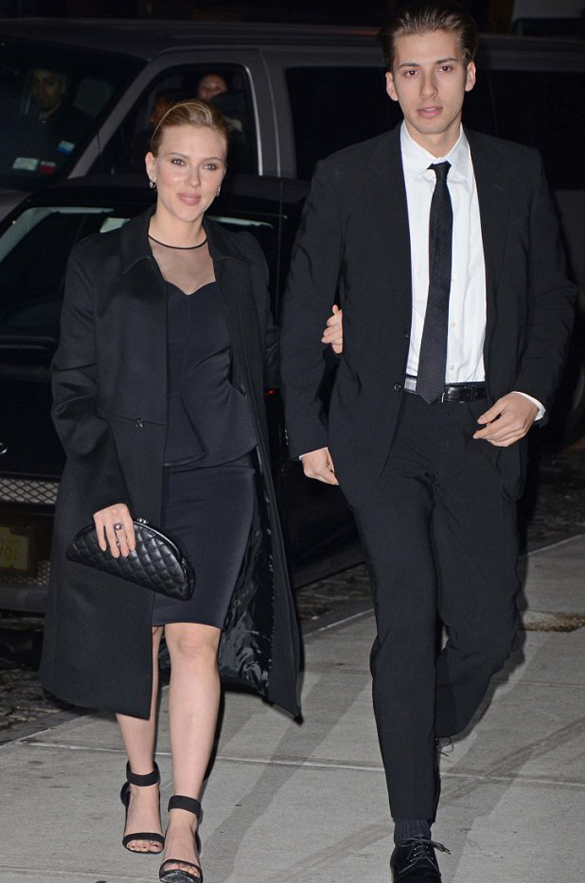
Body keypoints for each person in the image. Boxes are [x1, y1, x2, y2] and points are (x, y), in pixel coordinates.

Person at [280, 3, 576, 881]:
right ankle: (413, 830)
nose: (428, 87)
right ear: (390, 84)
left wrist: (530, 393)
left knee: (489, 631)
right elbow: (304, 306)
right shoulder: (348, 176)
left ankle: (416, 720)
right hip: (385, 428)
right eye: (410, 71)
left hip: (481, 426)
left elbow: (554, 297)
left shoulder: (517, 172)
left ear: (470, 74)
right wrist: (306, 427)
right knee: (406, 617)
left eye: (444, 67)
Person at [39, 99, 341, 883]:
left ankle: (183, 815)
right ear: (151, 166)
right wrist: (105, 487)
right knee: (135, 638)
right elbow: (73, 389)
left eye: (209, 165)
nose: (193, 179)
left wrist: (324, 339)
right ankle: (141, 781)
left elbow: (266, 359)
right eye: (179, 161)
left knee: (195, 641)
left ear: (222, 174)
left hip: (221, 477)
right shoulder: (99, 262)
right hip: (130, 481)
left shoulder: (242, 258)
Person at [29, 67, 91, 162]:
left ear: (62, 88)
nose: (40, 90)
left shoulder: (79, 125)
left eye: (49, 83)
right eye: (36, 83)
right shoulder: (24, 122)